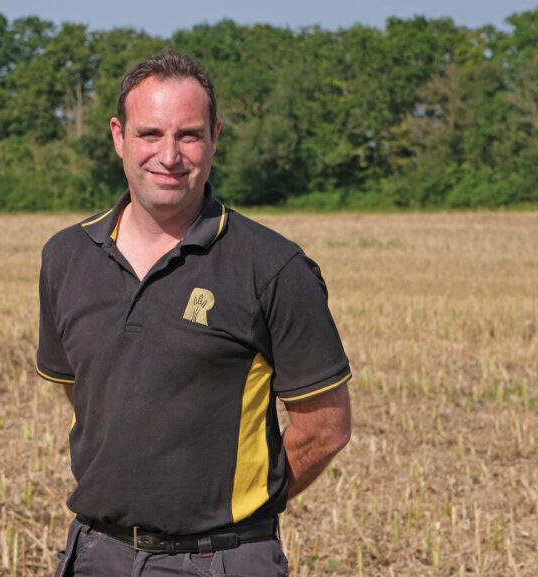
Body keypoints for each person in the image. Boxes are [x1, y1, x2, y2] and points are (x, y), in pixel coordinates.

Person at [36, 48, 352, 577]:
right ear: (118, 136)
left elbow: (326, 428)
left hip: (223, 562)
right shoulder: (66, 257)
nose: (169, 155)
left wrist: (237, 514)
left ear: (214, 139)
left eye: (188, 135)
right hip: (97, 553)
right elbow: (86, 393)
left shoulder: (273, 267)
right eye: (149, 134)